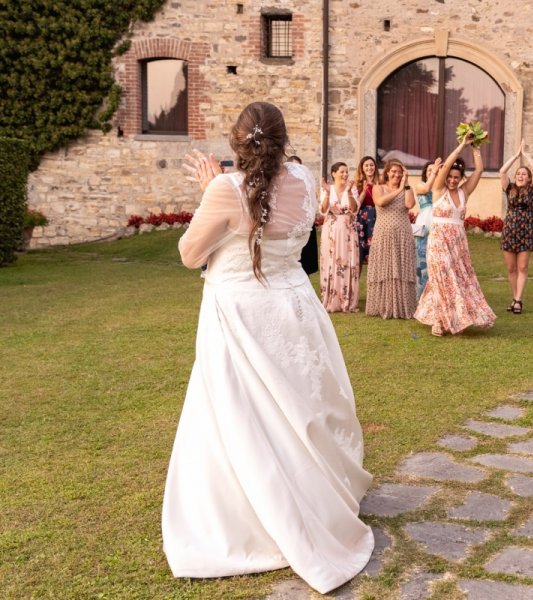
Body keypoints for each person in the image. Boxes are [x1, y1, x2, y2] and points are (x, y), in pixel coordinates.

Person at [164, 102, 373, 595]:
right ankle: (320, 493)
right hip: (295, 309)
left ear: (238, 145)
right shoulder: (304, 178)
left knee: (242, 416)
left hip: (241, 312)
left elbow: (190, 253)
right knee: (302, 404)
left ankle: (256, 518)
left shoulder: (225, 189)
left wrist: (211, 189)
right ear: (282, 142)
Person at [414, 136, 497, 336]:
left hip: (458, 244)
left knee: (458, 280)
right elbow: (444, 168)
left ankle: (452, 317)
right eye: (450, 176)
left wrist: (476, 148)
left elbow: (479, 171)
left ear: (461, 179)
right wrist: (461, 145)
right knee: (441, 278)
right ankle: (439, 321)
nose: (452, 180)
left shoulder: (464, 192)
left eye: (456, 177)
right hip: (438, 241)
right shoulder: (438, 189)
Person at [365, 159, 418, 319]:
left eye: (399, 172)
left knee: (402, 268)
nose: (396, 174)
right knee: (385, 267)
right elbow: (380, 202)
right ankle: (383, 306)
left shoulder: (407, 188)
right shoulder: (378, 188)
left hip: (402, 233)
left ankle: (403, 307)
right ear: (387, 172)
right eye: (393, 171)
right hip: (384, 233)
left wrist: (406, 185)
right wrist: (398, 189)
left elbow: (410, 204)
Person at [499, 141, 533, 315]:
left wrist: (526, 155)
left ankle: (518, 300)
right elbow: (502, 171)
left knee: (522, 267)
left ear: (529, 178)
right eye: (518, 173)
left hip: (527, 229)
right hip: (510, 228)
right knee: (511, 268)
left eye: (524, 173)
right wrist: (516, 156)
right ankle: (514, 297)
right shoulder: (509, 188)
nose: (521, 175)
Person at [319, 161, 360, 312]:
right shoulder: (326, 189)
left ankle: (346, 299)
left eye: (346, 171)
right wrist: (327, 193)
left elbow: (354, 209)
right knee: (330, 261)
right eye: (342, 171)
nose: (345, 174)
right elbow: (323, 210)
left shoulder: (352, 189)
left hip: (348, 229)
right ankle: (330, 298)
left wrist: (349, 192)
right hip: (330, 228)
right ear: (333, 173)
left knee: (347, 261)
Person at [412, 159, 441, 298]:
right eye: (429, 170)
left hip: (438, 222)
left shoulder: (441, 187)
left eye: (434, 170)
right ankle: (421, 294)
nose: (432, 172)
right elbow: (426, 189)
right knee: (422, 259)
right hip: (424, 222)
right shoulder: (420, 185)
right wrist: (435, 173)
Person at [288, 155, 320, 276]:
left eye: (299, 166)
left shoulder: (307, 184)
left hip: (306, 225)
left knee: (306, 262)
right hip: (291, 226)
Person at [353, 156, 380, 264]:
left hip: (378, 218)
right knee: (360, 255)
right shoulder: (357, 184)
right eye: (366, 165)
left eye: (372, 165)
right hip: (362, 220)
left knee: (376, 254)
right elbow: (355, 205)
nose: (369, 168)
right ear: (362, 168)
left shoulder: (380, 182)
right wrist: (364, 191)